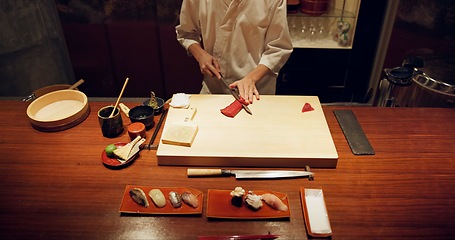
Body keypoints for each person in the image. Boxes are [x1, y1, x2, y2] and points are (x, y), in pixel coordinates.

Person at [175, 0, 293, 103]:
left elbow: (278, 47)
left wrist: (251, 79)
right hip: (214, 88)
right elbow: (186, 32)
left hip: (257, 92)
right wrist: (200, 55)